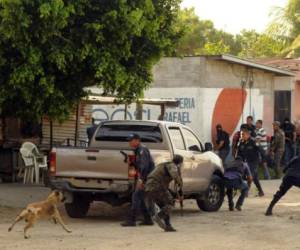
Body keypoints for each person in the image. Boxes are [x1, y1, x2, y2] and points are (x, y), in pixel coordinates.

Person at [121, 133, 155, 227]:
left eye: (131, 140)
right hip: (144, 177)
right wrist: (131, 161)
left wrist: (141, 180)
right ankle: (148, 219)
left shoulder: (142, 150)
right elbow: (139, 165)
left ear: (137, 140)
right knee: (140, 197)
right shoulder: (137, 150)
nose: (129, 142)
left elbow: (144, 166)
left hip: (145, 177)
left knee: (136, 197)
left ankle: (131, 220)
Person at [145, 155, 183, 232]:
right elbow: (176, 177)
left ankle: (168, 226)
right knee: (170, 203)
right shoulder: (172, 166)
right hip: (157, 186)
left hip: (149, 186)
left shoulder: (163, 164)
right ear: (180, 162)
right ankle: (158, 216)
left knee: (165, 206)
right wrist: (180, 182)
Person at [237, 129, 264, 197]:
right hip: (247, 161)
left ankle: (245, 192)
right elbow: (239, 152)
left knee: (250, 176)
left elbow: (261, 150)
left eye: (243, 134)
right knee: (255, 177)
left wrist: (264, 160)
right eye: (242, 134)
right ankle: (261, 191)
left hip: (254, 161)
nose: (242, 136)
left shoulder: (253, 141)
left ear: (248, 135)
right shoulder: (242, 142)